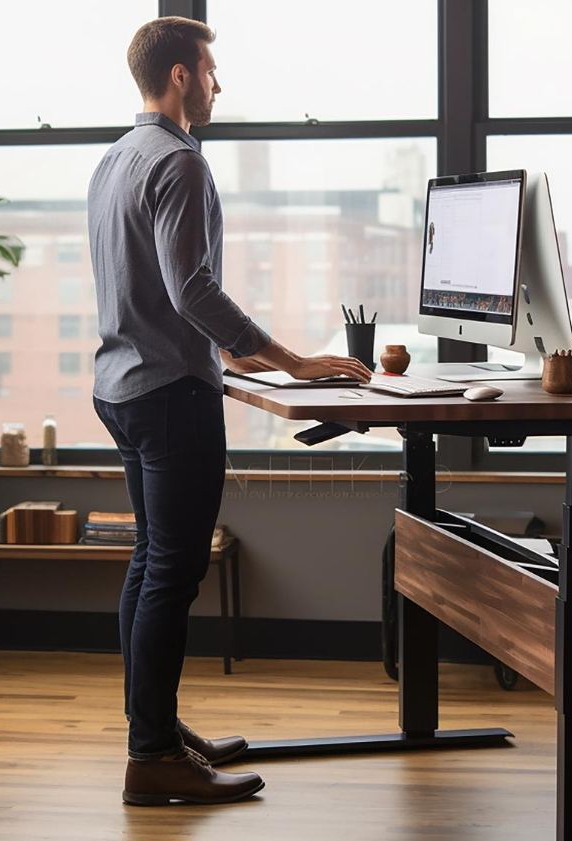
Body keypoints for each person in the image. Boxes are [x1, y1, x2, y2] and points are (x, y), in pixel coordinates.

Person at [87, 16, 372, 807]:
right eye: (211, 71)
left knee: (150, 563)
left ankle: (157, 730)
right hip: (173, 396)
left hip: (122, 387)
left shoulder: (113, 160)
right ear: (181, 76)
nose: (219, 85)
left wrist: (237, 353)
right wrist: (294, 361)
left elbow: (147, 290)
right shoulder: (179, 163)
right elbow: (192, 291)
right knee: (172, 573)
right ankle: (152, 759)